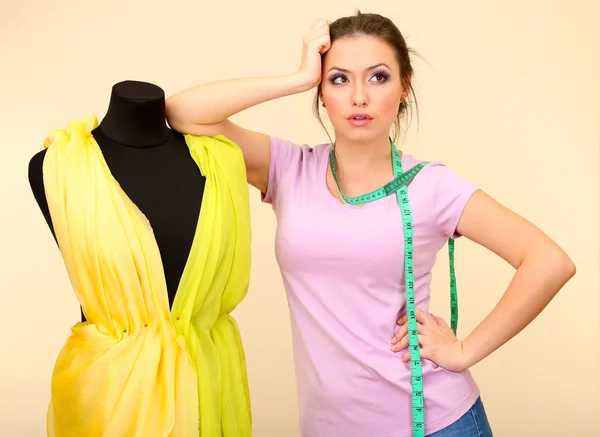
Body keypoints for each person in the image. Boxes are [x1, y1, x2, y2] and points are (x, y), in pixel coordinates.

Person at [165, 11, 576, 437]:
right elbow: (182, 112)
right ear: (321, 93)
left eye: (378, 77)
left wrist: (463, 351)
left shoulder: (430, 185)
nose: (359, 96)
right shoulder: (288, 169)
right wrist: (298, 76)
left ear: (404, 88)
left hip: (435, 424)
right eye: (339, 79)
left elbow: (548, 261)